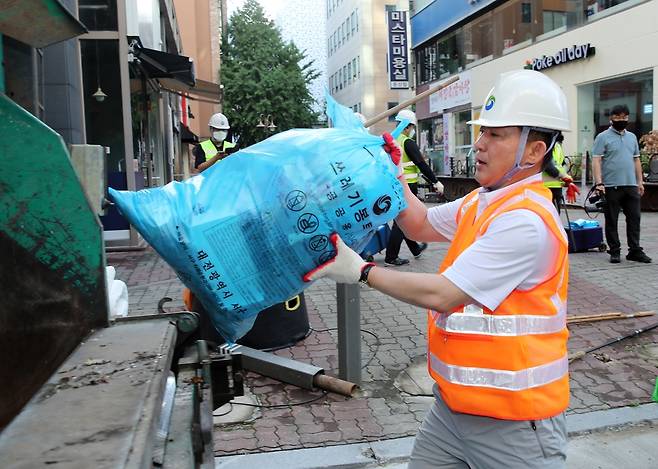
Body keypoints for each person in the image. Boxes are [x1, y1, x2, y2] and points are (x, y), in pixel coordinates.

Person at [305, 69, 571, 468]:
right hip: (452, 410)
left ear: (533, 151)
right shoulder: (482, 202)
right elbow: (418, 224)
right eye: (483, 132)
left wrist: (361, 271)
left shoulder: (526, 220)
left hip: (516, 424)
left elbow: (442, 293)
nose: (479, 144)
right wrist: (389, 171)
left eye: (495, 135)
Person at [592, 104, 651, 264]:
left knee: (634, 219)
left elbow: (636, 159)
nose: (621, 120)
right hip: (611, 186)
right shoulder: (602, 137)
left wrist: (640, 181)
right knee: (611, 220)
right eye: (617, 117)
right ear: (611, 118)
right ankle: (615, 251)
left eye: (624, 117)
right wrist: (599, 183)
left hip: (631, 185)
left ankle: (635, 251)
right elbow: (596, 160)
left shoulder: (632, 137)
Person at [384, 109, 443, 266]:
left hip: (394, 185)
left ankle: (415, 249)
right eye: (411, 127)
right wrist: (435, 181)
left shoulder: (391, 140)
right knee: (401, 221)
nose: (412, 131)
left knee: (404, 218)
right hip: (407, 186)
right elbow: (420, 163)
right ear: (407, 127)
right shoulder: (406, 142)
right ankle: (391, 256)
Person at [542, 133, 579, 213]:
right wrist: (564, 177)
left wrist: (567, 181)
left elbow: (560, 165)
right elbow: (548, 166)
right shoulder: (547, 144)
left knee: (554, 216)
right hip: (544, 188)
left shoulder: (557, 145)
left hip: (555, 186)